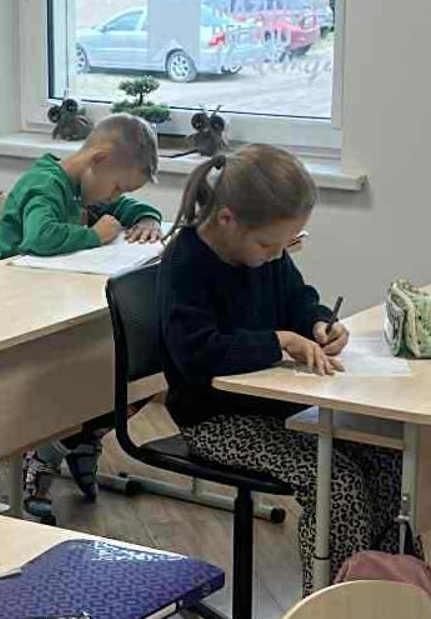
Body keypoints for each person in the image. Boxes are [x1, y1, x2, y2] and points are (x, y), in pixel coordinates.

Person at [157, 143, 399, 587]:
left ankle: (385, 594)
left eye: (285, 245)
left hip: (274, 409)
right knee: (336, 485)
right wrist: (279, 342)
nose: (276, 254)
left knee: (386, 460)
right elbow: (198, 356)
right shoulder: (186, 264)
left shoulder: (266, 251)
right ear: (227, 218)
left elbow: (294, 298)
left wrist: (319, 322)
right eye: (269, 244)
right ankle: (328, 613)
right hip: (215, 418)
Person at [0, 114, 163, 516]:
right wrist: (96, 235)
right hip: (17, 313)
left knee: (138, 372)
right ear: (98, 159)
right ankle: (45, 452)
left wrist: (147, 218)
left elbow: (126, 205)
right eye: (118, 184)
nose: (115, 195)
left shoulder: (87, 186)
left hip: (58, 303)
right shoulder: (45, 185)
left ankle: (79, 440)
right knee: (79, 377)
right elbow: (40, 237)